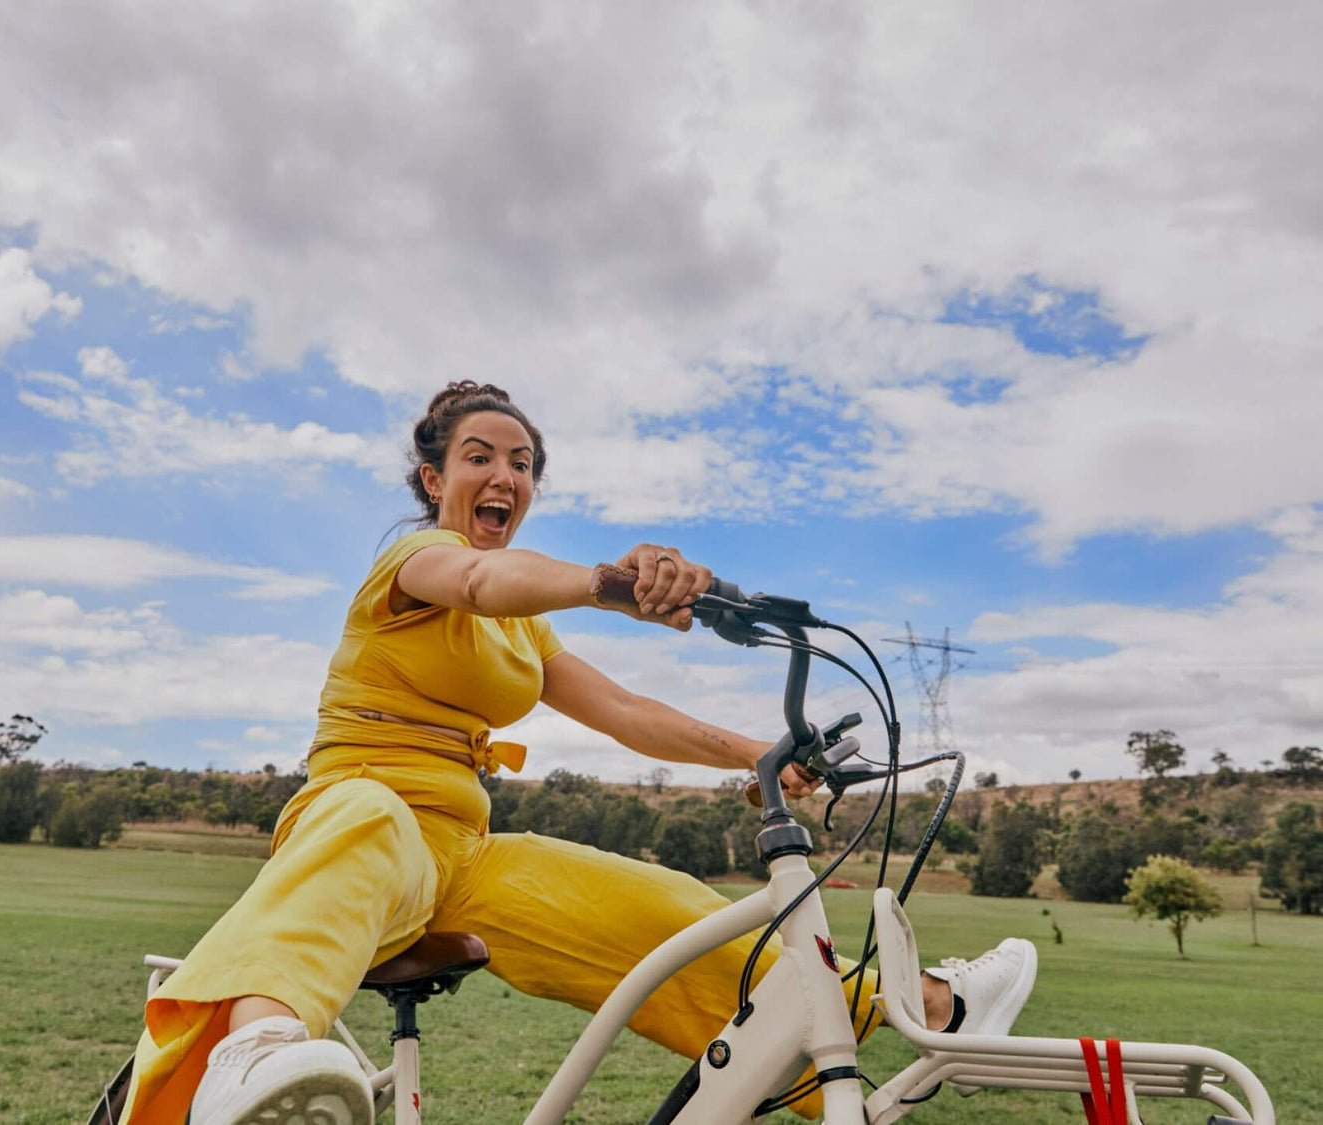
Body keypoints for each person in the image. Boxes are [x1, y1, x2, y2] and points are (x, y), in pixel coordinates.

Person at [118, 381, 1037, 1125]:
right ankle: (259, 1055)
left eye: (521, 464)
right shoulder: (415, 562)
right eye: (478, 456)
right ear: (434, 478)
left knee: (677, 916)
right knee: (367, 820)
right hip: (363, 810)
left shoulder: (525, 633)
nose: (503, 476)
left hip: (466, 855)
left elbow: (626, 710)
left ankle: (934, 1004)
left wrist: (762, 750)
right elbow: (481, 580)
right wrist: (610, 582)